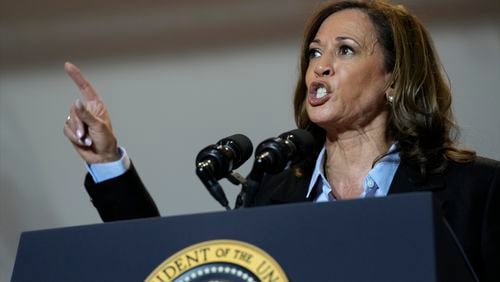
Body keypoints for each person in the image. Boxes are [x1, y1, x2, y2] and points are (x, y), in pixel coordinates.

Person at [63, 0, 499, 280]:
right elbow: (167, 265)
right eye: (314, 52)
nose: (320, 67)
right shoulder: (270, 191)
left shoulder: (475, 190)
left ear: (394, 77)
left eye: (344, 50)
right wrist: (107, 162)